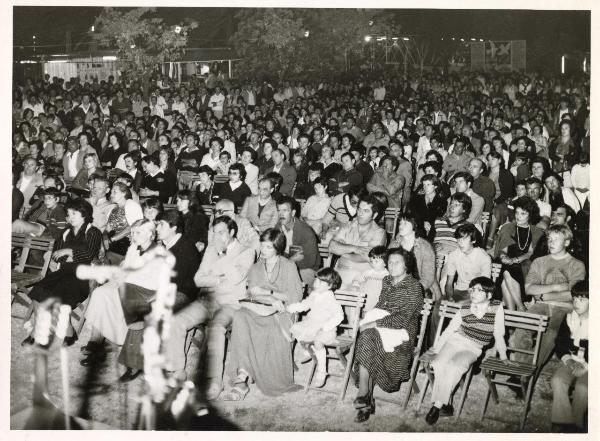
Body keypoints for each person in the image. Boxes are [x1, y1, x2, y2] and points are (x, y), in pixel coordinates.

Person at [221, 228, 303, 400]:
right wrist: (258, 294)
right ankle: (242, 375)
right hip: (259, 308)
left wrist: (271, 295)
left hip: (282, 311)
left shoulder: (289, 266)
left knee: (269, 327)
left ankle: (260, 376)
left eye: (268, 247)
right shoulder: (257, 267)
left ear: (277, 248)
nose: (263, 251)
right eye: (262, 246)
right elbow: (252, 293)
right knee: (240, 316)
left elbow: (295, 296)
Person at [120, 211, 203, 379]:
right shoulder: (165, 245)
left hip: (183, 294)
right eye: (156, 224)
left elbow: (176, 282)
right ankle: (138, 359)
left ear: (173, 228)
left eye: (161, 225)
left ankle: (140, 362)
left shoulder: (185, 247)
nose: (157, 228)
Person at [423, 277, 511, 425]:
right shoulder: (464, 308)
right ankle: (444, 403)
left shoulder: (497, 308)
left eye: (479, 290)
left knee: (455, 366)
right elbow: (450, 329)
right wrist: (437, 348)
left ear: (489, 295)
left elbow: (499, 333)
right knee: (438, 363)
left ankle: (437, 405)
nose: (473, 293)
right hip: (454, 341)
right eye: (472, 290)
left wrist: (503, 356)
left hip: (473, 348)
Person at [352, 247, 424, 423]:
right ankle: (365, 396)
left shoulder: (414, 286)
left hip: (402, 332)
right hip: (381, 327)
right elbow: (380, 305)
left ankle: (364, 395)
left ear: (406, 265)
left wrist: (374, 322)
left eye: (396, 262)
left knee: (367, 336)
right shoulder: (386, 280)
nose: (391, 266)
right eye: (389, 262)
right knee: (367, 337)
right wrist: (369, 317)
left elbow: (403, 318)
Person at [81, 219, 158, 371]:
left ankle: (102, 344)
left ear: (150, 234)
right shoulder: (134, 247)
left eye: (138, 233)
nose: (133, 236)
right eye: (132, 232)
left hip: (141, 289)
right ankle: (95, 340)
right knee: (99, 293)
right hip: (125, 282)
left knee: (111, 299)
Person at [25, 199, 102, 345]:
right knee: (38, 292)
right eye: (68, 214)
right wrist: (65, 257)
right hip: (63, 272)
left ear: (85, 214)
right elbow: (56, 253)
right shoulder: (66, 231)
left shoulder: (93, 232)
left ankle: (69, 332)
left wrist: (68, 251)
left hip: (81, 277)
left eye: (74, 213)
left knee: (57, 298)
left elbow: (88, 254)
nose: (70, 217)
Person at [194, 216, 255, 400]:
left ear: (232, 233)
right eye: (214, 233)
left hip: (232, 303)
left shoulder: (246, 251)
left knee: (215, 327)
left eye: (221, 233)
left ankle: (214, 382)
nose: (216, 237)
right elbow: (198, 279)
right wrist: (219, 278)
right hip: (210, 299)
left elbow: (236, 278)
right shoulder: (212, 249)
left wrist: (222, 258)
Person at [513, 224, 586, 373]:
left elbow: (574, 294)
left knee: (552, 334)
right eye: (549, 239)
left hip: (565, 308)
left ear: (566, 242)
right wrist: (557, 287)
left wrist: (544, 294)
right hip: (540, 305)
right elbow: (529, 288)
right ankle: (523, 369)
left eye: (556, 240)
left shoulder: (577, 265)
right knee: (522, 327)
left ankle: (527, 373)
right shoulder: (539, 262)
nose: (551, 243)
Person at [287, 268, 344, 387]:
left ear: (329, 286)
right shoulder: (315, 294)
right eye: (316, 280)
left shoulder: (330, 299)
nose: (316, 283)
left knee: (318, 342)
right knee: (296, 330)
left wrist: (326, 327)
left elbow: (339, 316)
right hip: (312, 324)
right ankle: (309, 351)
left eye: (320, 282)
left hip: (325, 328)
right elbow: (304, 305)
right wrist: (292, 307)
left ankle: (322, 371)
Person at [492, 196, 544, 311]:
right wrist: (504, 257)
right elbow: (503, 251)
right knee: (506, 270)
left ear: (530, 215)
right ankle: (519, 308)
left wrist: (514, 260)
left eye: (523, 213)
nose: (518, 216)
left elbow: (530, 253)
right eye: (517, 212)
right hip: (507, 262)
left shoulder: (536, 231)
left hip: (525, 264)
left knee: (507, 272)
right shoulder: (508, 227)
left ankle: (514, 311)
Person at [550, 280, 588, 433]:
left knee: (583, 387)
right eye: (574, 299)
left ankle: (577, 425)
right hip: (571, 360)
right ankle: (563, 421)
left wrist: (585, 366)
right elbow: (560, 343)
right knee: (557, 380)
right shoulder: (569, 318)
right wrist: (569, 360)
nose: (576, 303)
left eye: (582, 299)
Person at [329, 194, 387, 287]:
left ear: (374, 215)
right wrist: (355, 248)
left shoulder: (379, 233)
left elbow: (369, 257)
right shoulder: (348, 225)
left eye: (366, 211)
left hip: (362, 278)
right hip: (339, 273)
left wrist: (342, 252)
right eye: (359, 209)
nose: (360, 214)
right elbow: (332, 247)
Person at [276, 196, 320, 286]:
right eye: (279, 210)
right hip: (286, 266)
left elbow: (310, 262)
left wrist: (287, 262)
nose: (281, 214)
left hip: (306, 269)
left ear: (293, 213)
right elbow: (274, 254)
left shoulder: (305, 231)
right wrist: (291, 260)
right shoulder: (278, 228)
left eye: (285, 210)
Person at [443, 224, 491, 303]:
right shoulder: (453, 255)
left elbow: (484, 287)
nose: (460, 243)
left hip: (476, 292)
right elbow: (449, 283)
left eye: (464, 239)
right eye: (459, 239)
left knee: (460, 304)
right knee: (439, 305)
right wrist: (450, 298)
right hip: (459, 291)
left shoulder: (484, 258)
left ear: (473, 240)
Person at [104, 182, 144, 263]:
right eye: (111, 192)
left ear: (124, 193)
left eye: (115, 192)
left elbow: (133, 227)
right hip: (114, 242)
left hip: (127, 243)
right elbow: (107, 228)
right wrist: (104, 237)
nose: (111, 194)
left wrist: (112, 239)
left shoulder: (131, 204)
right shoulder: (114, 209)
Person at [410, 174, 448, 241]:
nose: (425, 187)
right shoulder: (416, 199)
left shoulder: (442, 201)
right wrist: (423, 223)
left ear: (435, 186)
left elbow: (440, 217)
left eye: (428, 185)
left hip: (434, 229)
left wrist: (430, 225)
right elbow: (413, 214)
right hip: (418, 228)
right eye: (424, 185)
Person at [351, 246, 389, 311]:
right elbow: (358, 279)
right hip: (367, 301)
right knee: (365, 317)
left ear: (385, 263)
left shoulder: (388, 275)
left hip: (379, 302)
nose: (373, 264)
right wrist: (356, 285)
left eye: (376, 261)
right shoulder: (368, 273)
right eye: (371, 261)